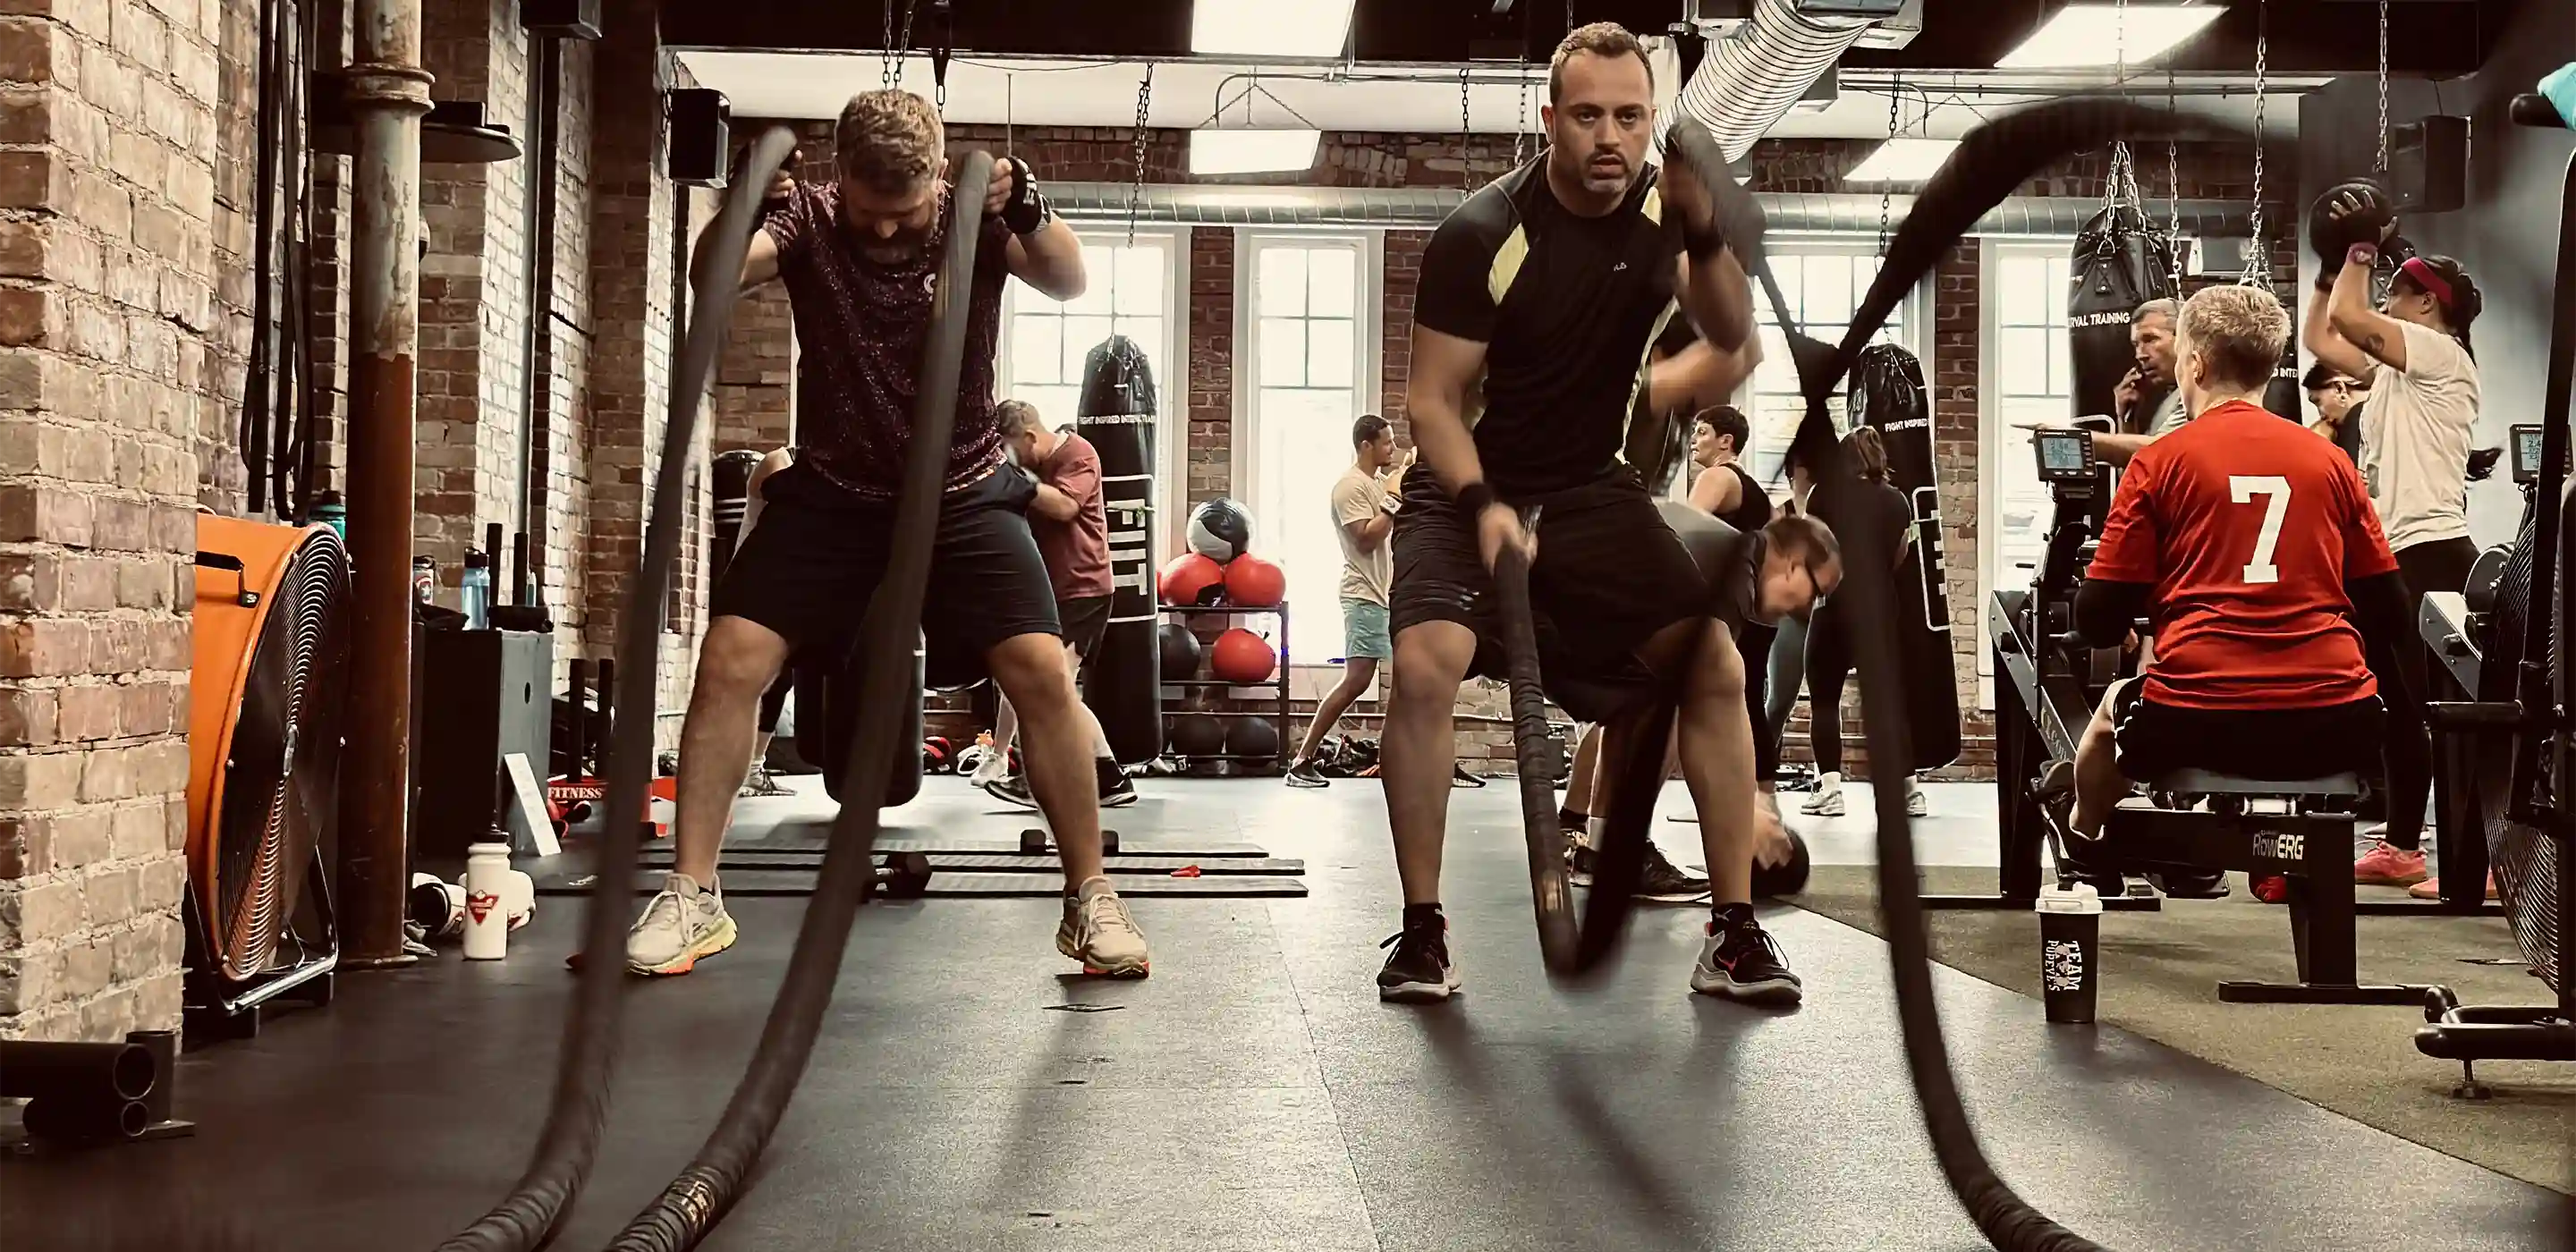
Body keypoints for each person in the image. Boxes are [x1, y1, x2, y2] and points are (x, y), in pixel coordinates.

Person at [626, 89, 1150, 979]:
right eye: (868, 211)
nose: (879, 232)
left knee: (1040, 670)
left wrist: (1026, 200)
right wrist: (745, 201)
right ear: (842, 181)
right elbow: (711, 277)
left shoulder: (974, 213)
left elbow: (1067, 276)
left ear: (936, 180)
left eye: (900, 213)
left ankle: (1090, 897)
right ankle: (694, 894)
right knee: (730, 660)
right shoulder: (812, 218)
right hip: (832, 488)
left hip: (965, 486)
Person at [1377, 21, 1828, 1006]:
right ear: (1550, 120)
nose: (1609, 137)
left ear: (1651, 121)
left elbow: (1730, 332)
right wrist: (1485, 501)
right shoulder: (1483, 234)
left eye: (1630, 116)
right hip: (1467, 488)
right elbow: (1432, 403)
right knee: (1424, 663)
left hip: (1588, 490)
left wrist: (1706, 229)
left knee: (1709, 658)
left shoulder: (1662, 224)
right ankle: (1420, 929)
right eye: (1587, 115)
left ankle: (1736, 931)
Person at [2055, 285, 2407, 890]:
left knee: (2114, 708)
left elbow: (2097, 623)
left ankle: (2084, 835)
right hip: (2337, 728)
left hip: (2194, 722)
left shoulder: (2159, 463)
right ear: (2271, 367)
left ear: (2193, 363)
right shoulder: (2331, 463)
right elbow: (2391, 617)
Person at [2303, 199, 2483, 888]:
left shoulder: (2438, 352)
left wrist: (2358, 252)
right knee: (2401, 710)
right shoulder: (2400, 372)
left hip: (2435, 554)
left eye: (2401, 288)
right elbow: (2326, 336)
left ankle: (2481, 861)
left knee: (2454, 718)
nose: (2388, 292)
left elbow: (2351, 319)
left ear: (2430, 306)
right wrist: (2330, 265)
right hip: (2395, 557)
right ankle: (2402, 847)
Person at [975, 400, 1140, 810]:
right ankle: (1109, 778)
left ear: (1029, 437)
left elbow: (1066, 507)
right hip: (1048, 589)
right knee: (1047, 687)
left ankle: (1038, 782)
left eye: (1013, 449)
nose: (1013, 459)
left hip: (1083, 589)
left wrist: (1015, 480)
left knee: (1052, 691)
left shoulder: (1078, 454)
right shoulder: (1033, 469)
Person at [1797, 427, 1924, 819]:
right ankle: (1909, 793)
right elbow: (1899, 554)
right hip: (1882, 609)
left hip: (1835, 605)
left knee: (1824, 699)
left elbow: (1810, 547)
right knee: (1887, 703)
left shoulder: (1824, 494)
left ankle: (1831, 790)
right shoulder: (1898, 500)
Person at [1285, 416, 1411, 786]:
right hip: (1362, 596)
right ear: (1365, 445)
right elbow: (1366, 539)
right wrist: (1394, 497)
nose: (1393, 448)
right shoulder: (1349, 487)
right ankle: (1301, 761)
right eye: (1386, 443)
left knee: (1404, 681)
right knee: (1356, 681)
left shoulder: (1374, 484)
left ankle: (1400, 762)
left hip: (1382, 594)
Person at [2087, 300, 2182, 466]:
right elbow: (2136, 474)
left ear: (2183, 336)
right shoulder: (2167, 397)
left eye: (2150, 339)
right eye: (2136, 345)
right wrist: (2126, 420)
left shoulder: (2201, 391)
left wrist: (2074, 441)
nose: (2140, 355)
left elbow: (2164, 452)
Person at [2303, 360, 2369, 465]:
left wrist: (2319, 448)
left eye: (2318, 401)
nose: (2322, 415)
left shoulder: (2355, 419)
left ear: (2339, 389)